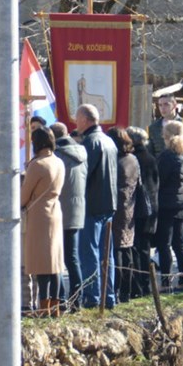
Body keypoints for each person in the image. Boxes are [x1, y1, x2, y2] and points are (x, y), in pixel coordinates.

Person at [75, 105, 120, 308]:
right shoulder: (109, 141)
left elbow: (84, 174)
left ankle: (92, 297)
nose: (76, 123)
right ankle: (108, 296)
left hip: (92, 204)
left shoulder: (90, 142)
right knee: (106, 253)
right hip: (108, 203)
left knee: (90, 253)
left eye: (77, 118)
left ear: (85, 120)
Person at [19, 125, 66, 315]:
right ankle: (55, 307)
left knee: (41, 264)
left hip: (39, 214)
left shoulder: (37, 165)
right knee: (54, 262)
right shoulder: (58, 162)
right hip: (55, 210)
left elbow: (24, 195)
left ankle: (43, 308)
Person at [155, 120, 183, 292]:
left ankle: (166, 281)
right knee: (180, 243)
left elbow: (160, 181)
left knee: (164, 244)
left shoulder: (166, 156)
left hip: (166, 203)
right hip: (182, 203)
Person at [51, 122, 87, 308]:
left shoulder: (57, 156)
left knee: (59, 257)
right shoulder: (82, 152)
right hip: (78, 209)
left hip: (60, 209)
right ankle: (76, 299)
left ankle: (63, 298)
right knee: (72, 257)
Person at [112, 126, 142, 301]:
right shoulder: (133, 159)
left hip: (119, 205)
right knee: (127, 247)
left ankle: (119, 288)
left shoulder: (117, 161)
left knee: (117, 249)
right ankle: (127, 289)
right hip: (130, 205)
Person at [129, 126, 160, 296]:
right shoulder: (151, 158)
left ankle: (139, 285)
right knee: (145, 249)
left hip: (139, 208)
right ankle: (147, 284)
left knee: (137, 248)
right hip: (151, 207)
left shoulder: (134, 159)